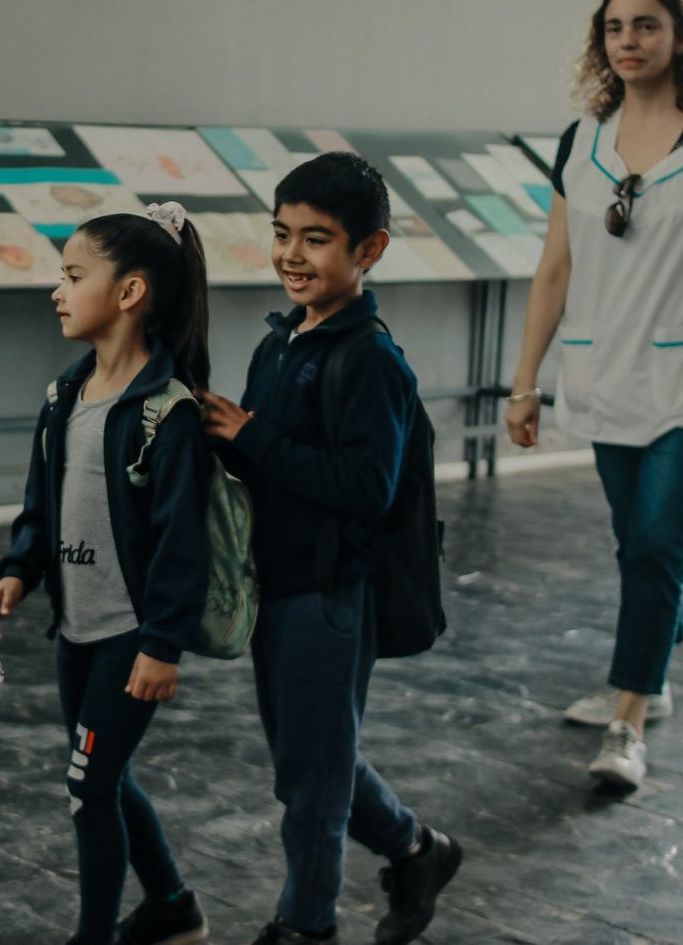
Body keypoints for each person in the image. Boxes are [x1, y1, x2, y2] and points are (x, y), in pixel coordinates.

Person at [504, 0, 683, 787]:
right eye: (616, 28)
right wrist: (525, 380)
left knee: (659, 542)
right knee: (636, 541)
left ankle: (629, 716)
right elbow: (554, 268)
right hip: (603, 372)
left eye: (647, 26)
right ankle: (650, 667)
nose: (629, 41)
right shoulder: (580, 141)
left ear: (681, 39)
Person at [199, 154, 460, 945]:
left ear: (369, 250)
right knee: (308, 761)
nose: (291, 256)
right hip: (277, 585)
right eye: (282, 235)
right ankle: (417, 848)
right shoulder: (281, 344)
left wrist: (254, 437)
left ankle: (306, 926)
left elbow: (365, 486)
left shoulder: (370, 360)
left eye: (316, 240)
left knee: (310, 784)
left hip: (331, 595)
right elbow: (262, 459)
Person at [0, 204, 212, 945]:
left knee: (88, 783)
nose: (58, 290)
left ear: (130, 292)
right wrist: (20, 569)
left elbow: (183, 545)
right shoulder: (63, 397)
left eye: (73, 275)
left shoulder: (166, 413)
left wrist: (162, 644)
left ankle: (94, 937)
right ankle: (172, 906)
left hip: (128, 637)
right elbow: (41, 502)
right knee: (99, 775)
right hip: (74, 630)